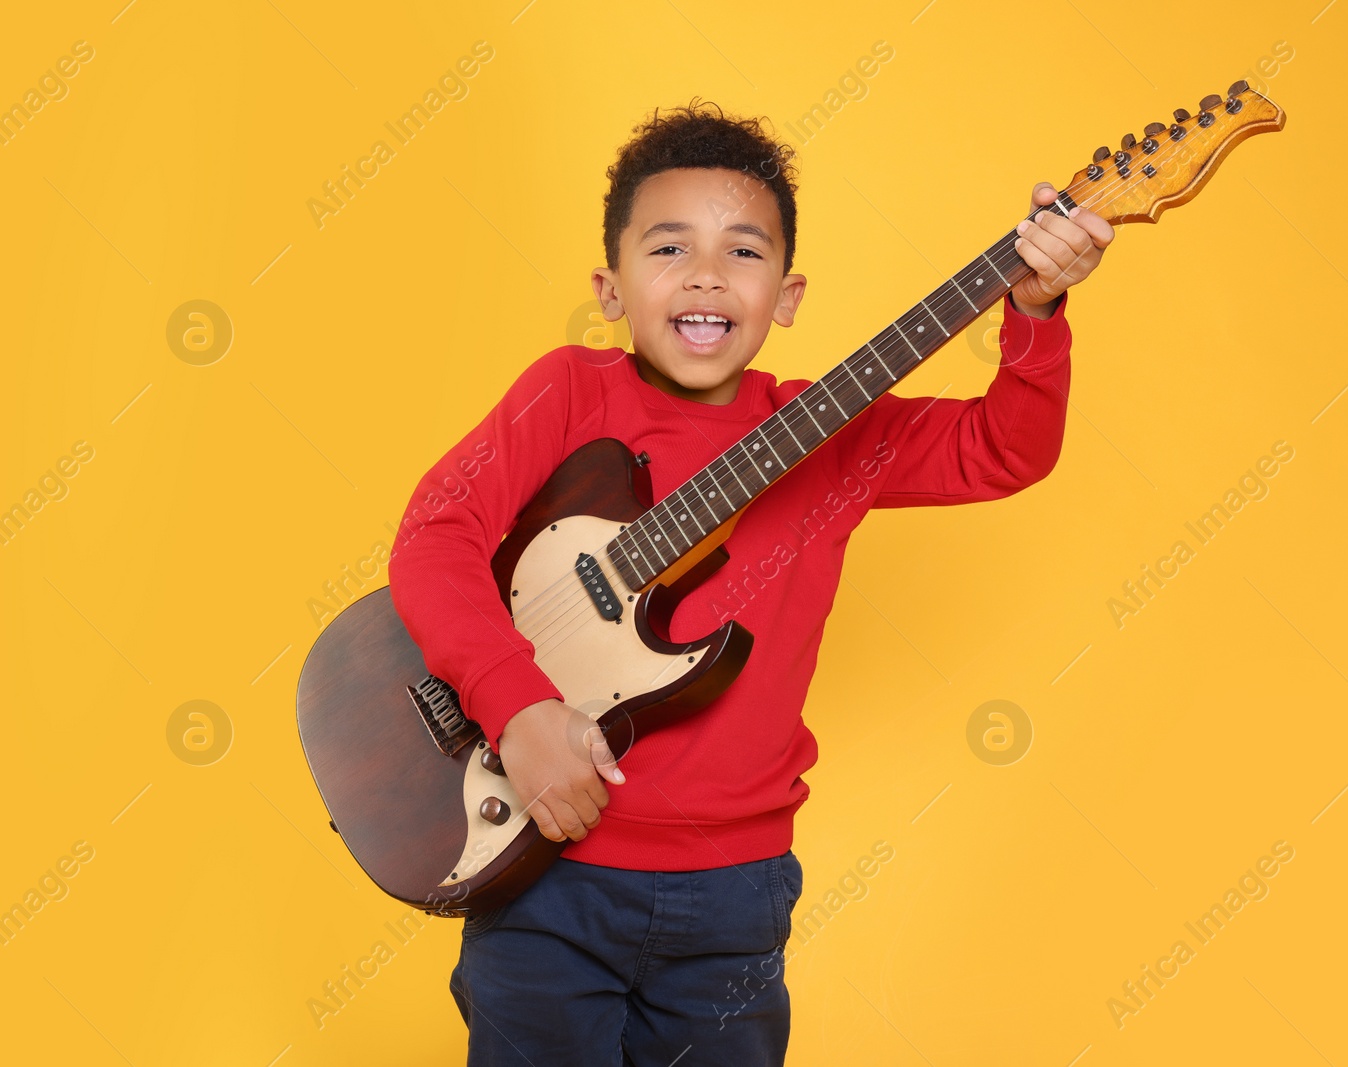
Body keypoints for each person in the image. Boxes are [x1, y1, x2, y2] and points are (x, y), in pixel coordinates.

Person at [387, 98, 1114, 1065]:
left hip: (736, 890)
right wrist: (516, 707)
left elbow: (1001, 449)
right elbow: (435, 536)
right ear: (609, 289)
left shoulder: (833, 434)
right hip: (545, 876)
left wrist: (1034, 311)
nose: (704, 274)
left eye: (742, 251)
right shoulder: (568, 393)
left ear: (789, 293)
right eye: (667, 249)